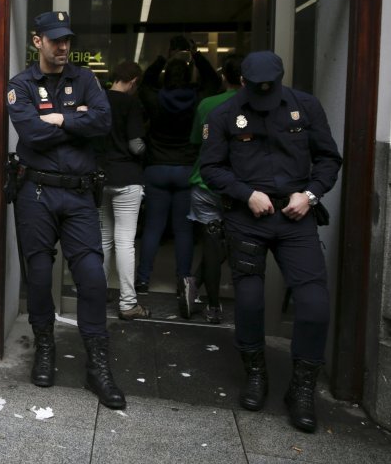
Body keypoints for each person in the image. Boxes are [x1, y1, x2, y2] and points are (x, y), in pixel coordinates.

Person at [199, 51, 342, 433]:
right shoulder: (225, 114)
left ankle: (302, 389)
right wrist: (246, 194)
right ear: (243, 82)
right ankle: (256, 375)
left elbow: (329, 159)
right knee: (248, 301)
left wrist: (310, 195)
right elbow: (211, 168)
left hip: (296, 216)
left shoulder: (305, 107)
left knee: (313, 303)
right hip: (248, 218)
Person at [6, 10, 125, 409]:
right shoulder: (21, 84)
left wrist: (58, 118)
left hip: (78, 195)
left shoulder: (86, 79)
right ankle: (44, 347)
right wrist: (76, 121)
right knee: (38, 276)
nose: (62, 47)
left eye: (67, 39)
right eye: (54, 40)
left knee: (91, 276)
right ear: (37, 41)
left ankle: (98, 364)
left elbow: (104, 122)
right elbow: (32, 133)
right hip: (36, 193)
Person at [136, 48, 219, 318]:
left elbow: (145, 83)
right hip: (185, 168)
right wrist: (195, 55)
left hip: (157, 168)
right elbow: (213, 82)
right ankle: (183, 281)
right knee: (184, 231)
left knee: (153, 228)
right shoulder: (197, 100)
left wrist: (161, 57)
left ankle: (143, 281)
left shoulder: (155, 99)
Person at [187, 54, 244, 324]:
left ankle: (210, 304)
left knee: (211, 245)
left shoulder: (207, 104)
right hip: (241, 187)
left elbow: (198, 141)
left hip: (205, 182)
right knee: (236, 244)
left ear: (224, 77)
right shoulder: (253, 105)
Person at [98, 60, 149, 320]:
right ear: (133, 81)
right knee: (125, 242)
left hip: (103, 176)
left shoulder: (99, 99)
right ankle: (128, 303)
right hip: (127, 178)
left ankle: (98, 294)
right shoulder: (131, 103)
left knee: (105, 239)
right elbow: (135, 145)